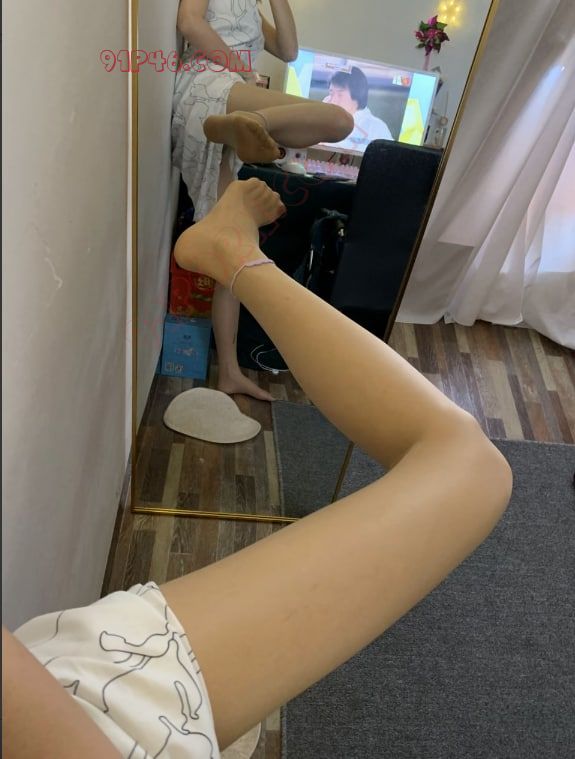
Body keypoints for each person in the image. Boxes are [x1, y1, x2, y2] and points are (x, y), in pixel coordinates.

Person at [3, 178, 513, 758]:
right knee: (466, 464)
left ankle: (233, 254)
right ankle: (234, 254)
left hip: (84, 713)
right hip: (99, 713)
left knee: (468, 466)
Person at [172, 0, 354, 402]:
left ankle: (229, 373)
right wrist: (244, 73)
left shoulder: (252, 9)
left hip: (230, 101)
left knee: (235, 246)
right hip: (207, 84)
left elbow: (289, 51)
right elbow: (189, 22)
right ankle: (255, 123)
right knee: (339, 120)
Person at [322, 66, 394, 150]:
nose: (333, 100)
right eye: (331, 93)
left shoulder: (377, 127)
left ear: (357, 95)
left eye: (340, 95)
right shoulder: (325, 119)